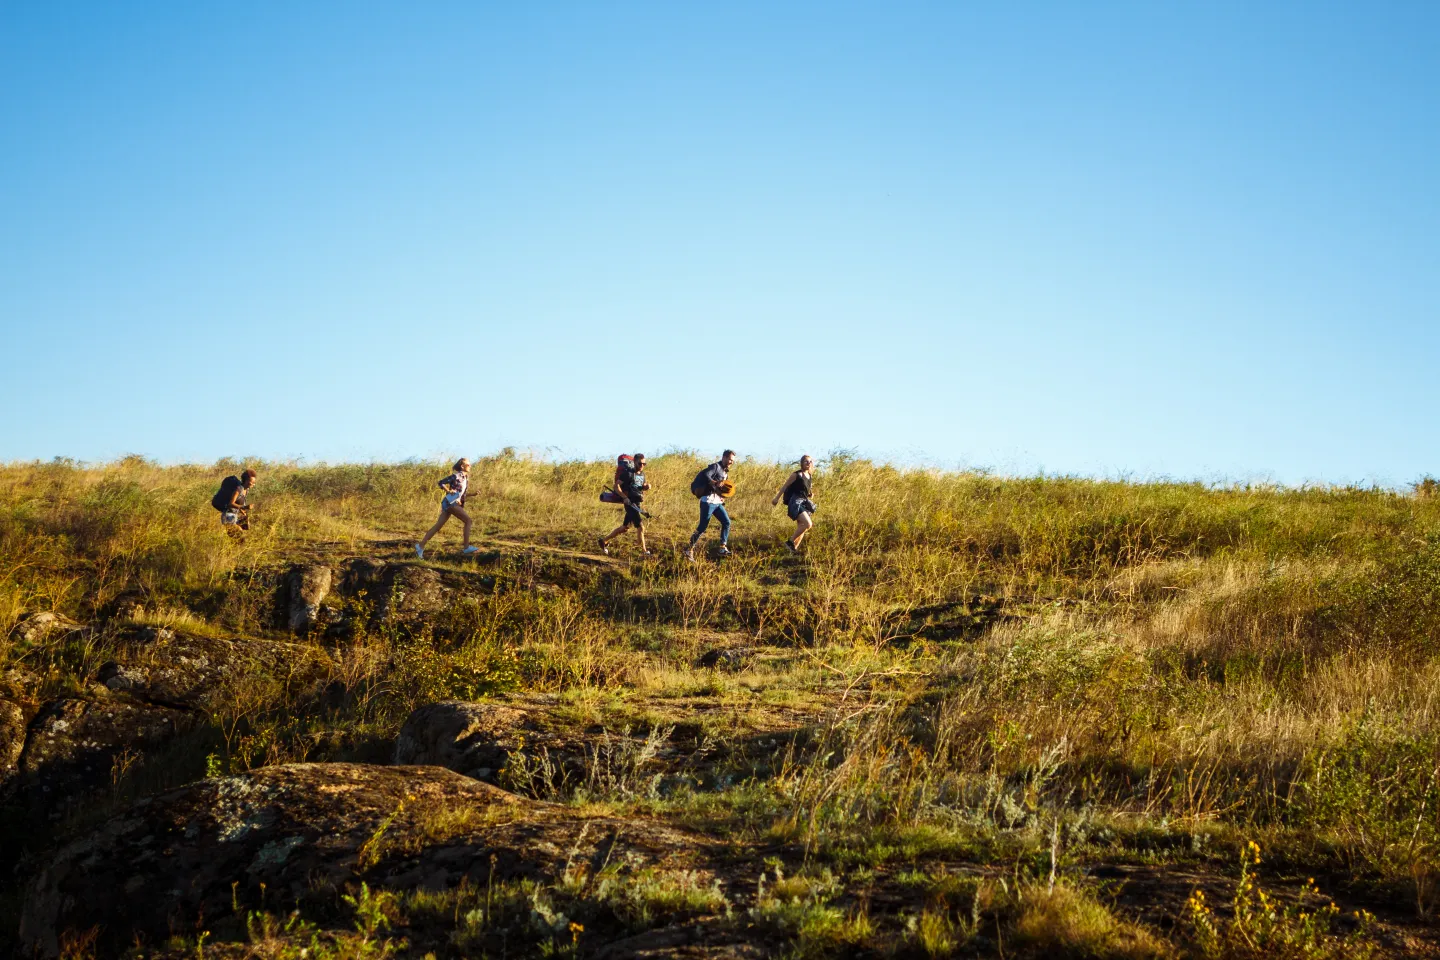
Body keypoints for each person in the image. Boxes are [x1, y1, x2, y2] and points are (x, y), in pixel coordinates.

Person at [415, 458, 479, 559]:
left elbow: (461, 494)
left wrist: (473, 494)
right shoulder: (457, 476)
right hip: (450, 503)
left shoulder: (465, 478)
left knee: (438, 526)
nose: (470, 466)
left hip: (450, 503)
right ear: (462, 466)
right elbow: (441, 482)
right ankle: (466, 547)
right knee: (468, 521)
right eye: (468, 464)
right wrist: (448, 491)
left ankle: (420, 546)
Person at [685, 450, 737, 561]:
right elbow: (706, 474)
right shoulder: (715, 466)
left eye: (732, 460)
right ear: (724, 457)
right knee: (702, 527)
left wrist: (722, 496)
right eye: (730, 459)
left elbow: (720, 488)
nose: (731, 462)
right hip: (707, 501)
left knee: (726, 522)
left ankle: (722, 547)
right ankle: (689, 549)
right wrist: (715, 482)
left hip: (717, 502)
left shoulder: (725, 472)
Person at [598, 453, 652, 556]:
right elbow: (616, 486)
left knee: (624, 528)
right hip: (629, 503)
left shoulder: (642, 474)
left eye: (644, 464)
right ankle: (644, 552)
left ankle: (603, 541)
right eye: (640, 463)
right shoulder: (627, 473)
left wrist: (646, 486)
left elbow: (639, 486)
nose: (642, 466)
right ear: (635, 462)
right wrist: (625, 497)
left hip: (637, 503)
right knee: (641, 527)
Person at [773, 455, 817, 553]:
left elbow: (806, 490)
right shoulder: (796, 475)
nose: (808, 463)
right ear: (801, 463)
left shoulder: (810, 476)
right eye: (806, 461)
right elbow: (785, 486)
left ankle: (793, 550)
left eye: (810, 462)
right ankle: (790, 542)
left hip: (804, 502)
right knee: (808, 524)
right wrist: (776, 498)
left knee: (802, 527)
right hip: (795, 502)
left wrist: (810, 494)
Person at [211, 468, 257, 533]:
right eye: (251, 482)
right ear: (246, 481)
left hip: (235, 516)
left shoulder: (246, 490)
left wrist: (242, 511)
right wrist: (245, 507)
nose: (253, 484)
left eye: (254, 483)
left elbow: (238, 503)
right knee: (240, 537)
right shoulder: (239, 489)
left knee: (239, 538)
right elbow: (231, 504)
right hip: (228, 516)